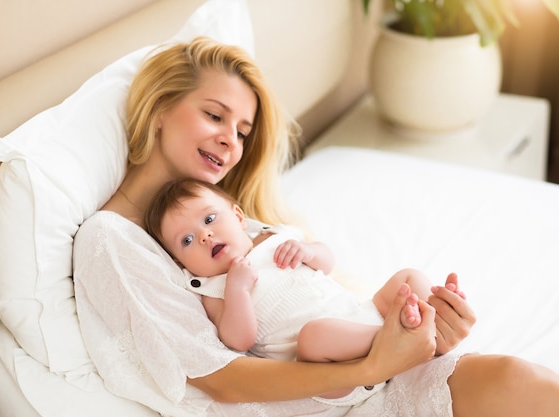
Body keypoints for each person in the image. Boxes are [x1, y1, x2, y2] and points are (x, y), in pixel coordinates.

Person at [73, 35, 559, 416]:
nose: (230, 143)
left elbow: (312, 287)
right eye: (214, 115)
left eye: (241, 132)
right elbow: (221, 376)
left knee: (522, 381)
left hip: (370, 378)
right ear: (159, 109)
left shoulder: (233, 220)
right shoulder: (112, 239)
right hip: (335, 401)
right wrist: (375, 363)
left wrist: (425, 339)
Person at [145, 177, 462, 405]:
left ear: (239, 217)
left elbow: (326, 262)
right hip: (330, 368)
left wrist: (308, 251)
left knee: (409, 279)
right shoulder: (214, 289)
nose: (205, 235)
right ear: (180, 262)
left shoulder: (275, 237)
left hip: (360, 317)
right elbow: (237, 340)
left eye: (210, 218)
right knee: (315, 333)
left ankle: (434, 319)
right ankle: (402, 338)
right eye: (186, 240)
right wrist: (237, 290)